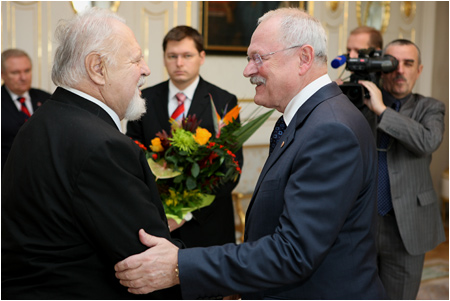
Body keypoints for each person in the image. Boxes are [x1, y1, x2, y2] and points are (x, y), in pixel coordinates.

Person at [115, 8, 387, 299]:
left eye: (259, 58)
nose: (247, 70)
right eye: (248, 58)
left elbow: (293, 252)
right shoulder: (312, 118)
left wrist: (180, 266)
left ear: (303, 58)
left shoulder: (330, 130)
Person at [1, 8, 183, 299]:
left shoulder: (43, 119)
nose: (146, 69)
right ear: (97, 68)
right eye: (136, 59)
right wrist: (208, 276)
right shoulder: (103, 146)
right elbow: (147, 265)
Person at [126, 25, 243, 247]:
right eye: (172, 56)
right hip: (157, 223)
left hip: (209, 226)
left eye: (187, 56)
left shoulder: (223, 101)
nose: (179, 63)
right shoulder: (143, 98)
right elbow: (133, 156)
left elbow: (232, 167)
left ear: (201, 57)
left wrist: (186, 212)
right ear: (164, 58)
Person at [358, 39, 446, 300]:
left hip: (407, 225)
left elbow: (427, 141)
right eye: (393, 63)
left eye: (408, 64)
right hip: (363, 221)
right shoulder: (360, 104)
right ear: (381, 68)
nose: (400, 71)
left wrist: (382, 111)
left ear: (418, 70)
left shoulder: (430, 107)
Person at [1, 48, 51, 170]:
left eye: (27, 71)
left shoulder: (47, 99)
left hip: (43, 175)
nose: (23, 77)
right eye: (15, 72)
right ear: (3, 74)